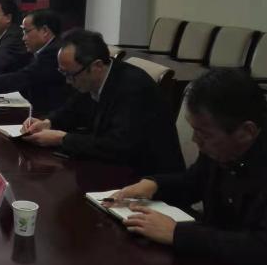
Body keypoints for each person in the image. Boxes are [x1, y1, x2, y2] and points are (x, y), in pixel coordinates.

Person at [112, 69, 267, 265]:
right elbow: (194, 182)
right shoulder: (222, 145)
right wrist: (153, 185)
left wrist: (178, 234)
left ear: (246, 132)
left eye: (203, 134)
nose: (195, 140)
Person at [23, 29, 184, 176]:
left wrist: (63, 139)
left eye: (70, 75)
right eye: (63, 73)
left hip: (148, 177)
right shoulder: (93, 77)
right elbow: (73, 109)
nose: (68, 81)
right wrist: (48, 123)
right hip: (114, 167)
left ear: (97, 66)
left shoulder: (133, 88)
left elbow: (118, 146)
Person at [0, 9, 69, 116]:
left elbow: (22, 78)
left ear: (45, 31)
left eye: (26, 32)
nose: (23, 38)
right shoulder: (45, 50)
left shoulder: (54, 53)